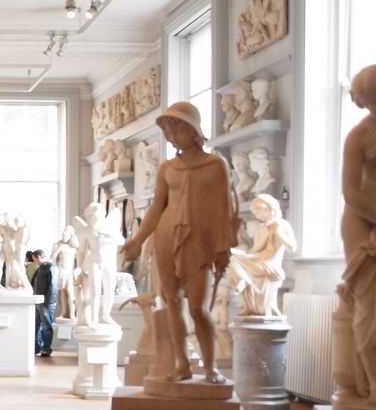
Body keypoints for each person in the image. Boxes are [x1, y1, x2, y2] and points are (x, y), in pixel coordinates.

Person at [121, 102, 239, 384]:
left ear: (193, 130)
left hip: (199, 242)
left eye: (177, 131)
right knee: (172, 303)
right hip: (167, 238)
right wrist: (138, 240)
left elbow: (225, 209)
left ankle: (210, 367)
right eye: (169, 133)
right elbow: (156, 209)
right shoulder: (167, 168)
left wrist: (223, 248)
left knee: (198, 307)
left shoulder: (215, 165)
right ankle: (182, 364)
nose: (172, 138)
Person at [335, 65, 376, 402]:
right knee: (369, 304)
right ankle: (373, 383)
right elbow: (350, 192)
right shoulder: (359, 136)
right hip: (362, 220)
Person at [226, 194, 297, 317]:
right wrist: (265, 233)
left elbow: (292, 248)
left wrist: (279, 234)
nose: (257, 216)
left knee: (234, 261)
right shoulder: (262, 227)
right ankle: (243, 280)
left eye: (258, 212)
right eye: (256, 213)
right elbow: (258, 248)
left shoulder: (282, 225)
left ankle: (244, 281)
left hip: (270, 264)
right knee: (229, 257)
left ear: (267, 208)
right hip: (258, 260)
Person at [30, 249, 58, 357]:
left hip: (46, 303)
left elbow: (53, 286)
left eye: (34, 259)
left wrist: (47, 303)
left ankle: (46, 348)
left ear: (38, 257)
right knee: (37, 325)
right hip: (38, 301)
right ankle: (36, 347)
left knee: (46, 326)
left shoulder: (51, 267)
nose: (34, 261)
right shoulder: (41, 268)